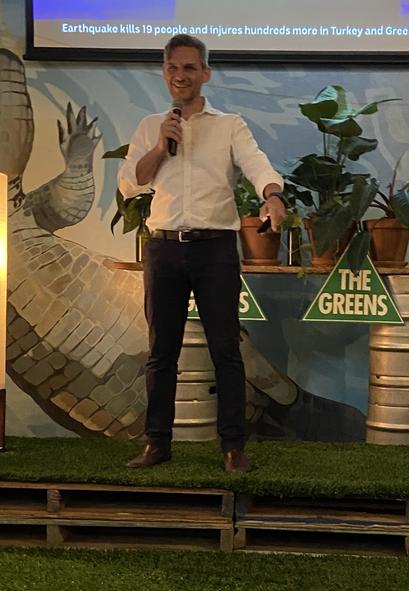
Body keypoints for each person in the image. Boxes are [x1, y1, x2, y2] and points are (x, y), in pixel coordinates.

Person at [118, 34, 285, 472]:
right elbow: (130, 182)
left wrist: (272, 196)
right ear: (164, 72)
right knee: (161, 352)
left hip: (215, 251)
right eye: (173, 67)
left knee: (225, 349)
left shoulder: (229, 125)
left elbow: (257, 165)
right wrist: (160, 145)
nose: (180, 76)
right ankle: (158, 443)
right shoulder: (151, 125)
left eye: (190, 68)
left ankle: (233, 447)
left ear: (205, 73)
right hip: (164, 249)